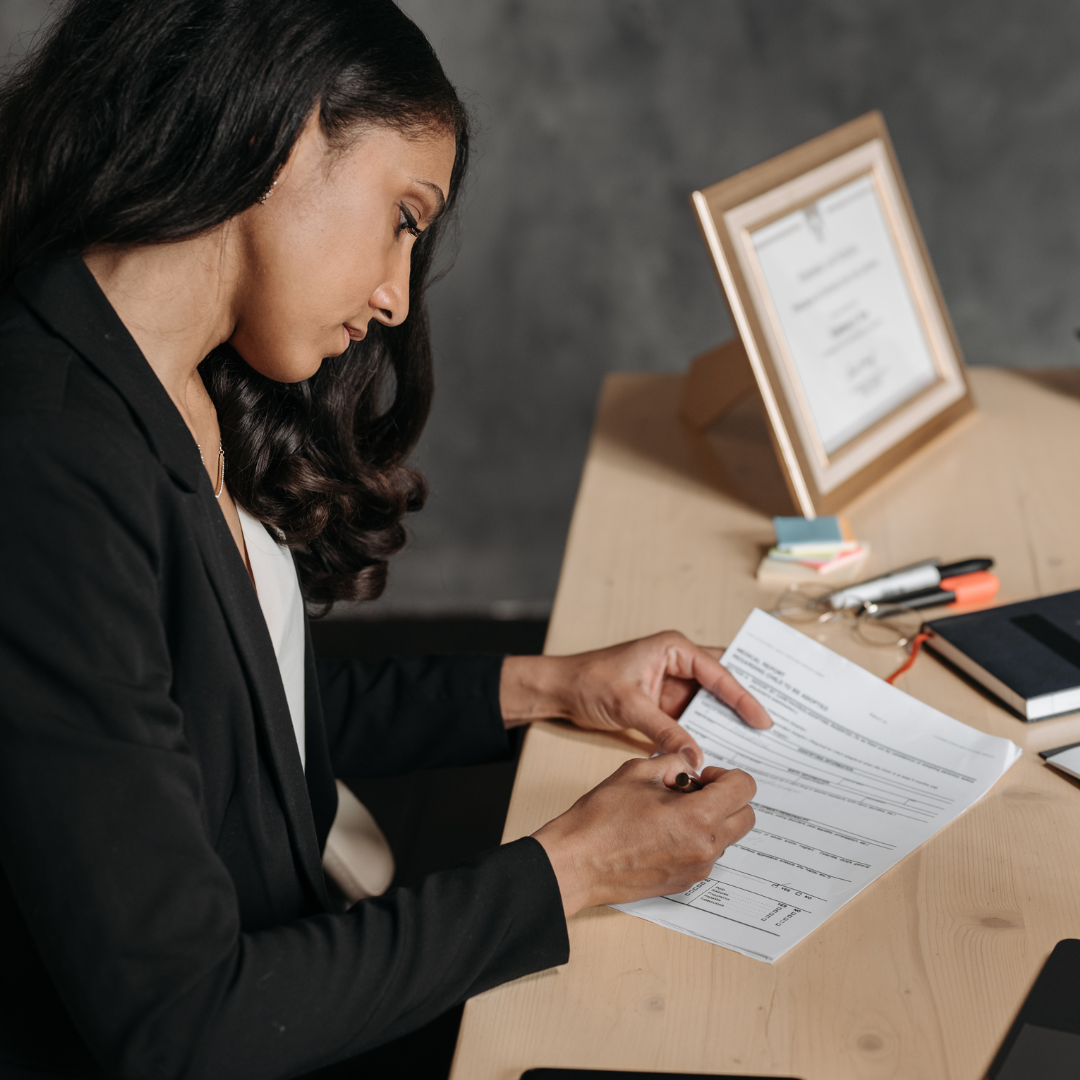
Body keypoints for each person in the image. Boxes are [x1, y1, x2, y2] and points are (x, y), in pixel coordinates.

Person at [0, 1, 771, 1076]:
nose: (399, 298)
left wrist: (553, 689)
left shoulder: (182, 374)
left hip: (326, 955)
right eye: (405, 217)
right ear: (286, 129)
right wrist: (570, 871)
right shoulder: (46, 466)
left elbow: (239, 731)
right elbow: (181, 1024)